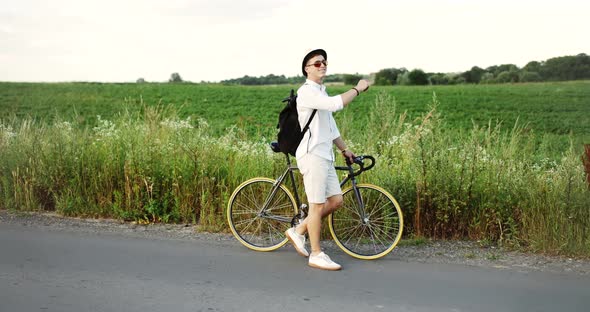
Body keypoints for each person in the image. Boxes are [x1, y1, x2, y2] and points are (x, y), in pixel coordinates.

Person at [285, 49, 369, 270]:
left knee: (336, 201)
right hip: (312, 155)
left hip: (325, 155)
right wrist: (358, 89)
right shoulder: (307, 92)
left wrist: (344, 149)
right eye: (317, 63)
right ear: (307, 69)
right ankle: (316, 253)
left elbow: (330, 126)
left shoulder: (321, 91)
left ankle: (299, 230)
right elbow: (335, 105)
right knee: (317, 205)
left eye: (324, 62)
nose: (322, 65)